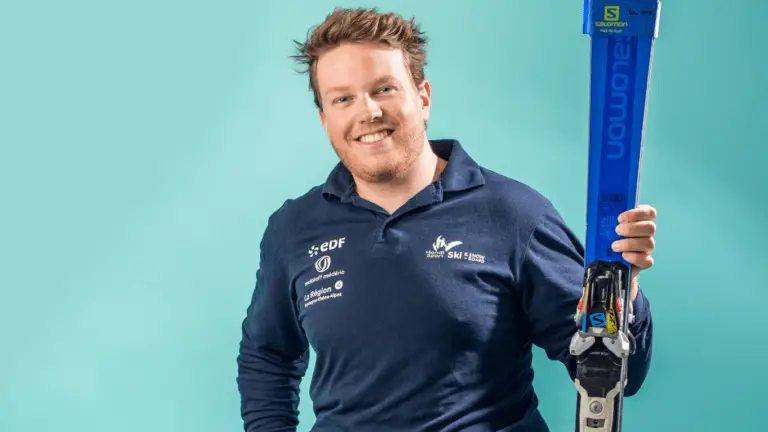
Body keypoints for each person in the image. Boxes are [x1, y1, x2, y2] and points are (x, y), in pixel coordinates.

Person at [236, 7, 656, 432]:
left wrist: (624, 288)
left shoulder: (515, 214)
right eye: (343, 98)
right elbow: (267, 355)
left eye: (384, 89)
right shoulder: (294, 228)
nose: (368, 112)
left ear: (423, 98)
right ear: (325, 119)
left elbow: (614, 374)